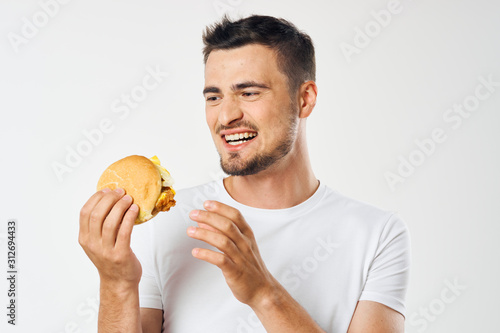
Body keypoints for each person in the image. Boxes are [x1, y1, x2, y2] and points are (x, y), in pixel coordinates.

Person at [79, 15, 410, 333]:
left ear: (304, 99)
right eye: (214, 96)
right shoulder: (166, 221)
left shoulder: (376, 235)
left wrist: (263, 294)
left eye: (249, 93)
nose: (226, 116)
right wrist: (116, 283)